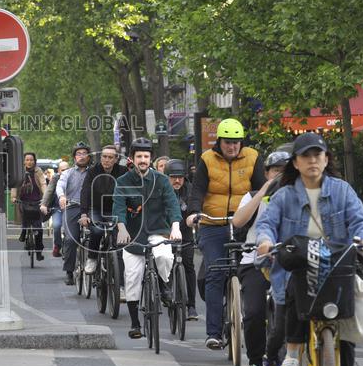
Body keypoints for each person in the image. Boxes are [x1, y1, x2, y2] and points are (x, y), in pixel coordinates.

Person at [256, 133, 363, 366]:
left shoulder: (342, 191)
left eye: (318, 155)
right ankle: (293, 353)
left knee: (346, 326)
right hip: (299, 264)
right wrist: (264, 240)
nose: (313, 161)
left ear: (326, 159)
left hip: (337, 265)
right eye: (306, 156)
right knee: (295, 286)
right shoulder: (284, 195)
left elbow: (360, 220)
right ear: (296, 163)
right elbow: (267, 224)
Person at [186, 118, 265, 350]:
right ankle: (214, 333)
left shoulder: (252, 157)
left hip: (245, 224)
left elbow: (260, 190)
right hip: (213, 223)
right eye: (228, 142)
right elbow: (198, 190)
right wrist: (194, 213)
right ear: (219, 141)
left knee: (253, 270)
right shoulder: (206, 159)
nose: (232, 146)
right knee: (215, 273)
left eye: (236, 142)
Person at [231, 149, 290, 366]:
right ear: (266, 173)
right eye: (276, 171)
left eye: (285, 172)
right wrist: (263, 192)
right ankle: (256, 364)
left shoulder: (296, 196)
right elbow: (238, 221)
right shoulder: (254, 195)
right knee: (254, 312)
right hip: (255, 261)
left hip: (286, 262)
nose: (280, 177)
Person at [113, 138, 182, 338]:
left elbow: (172, 204)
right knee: (132, 278)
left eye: (146, 156)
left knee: (165, 257)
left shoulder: (161, 180)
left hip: (158, 231)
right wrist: (122, 229)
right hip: (133, 235)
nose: (142, 160)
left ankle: (164, 284)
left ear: (150, 158)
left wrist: (175, 226)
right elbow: (118, 206)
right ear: (132, 159)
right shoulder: (123, 181)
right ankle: (135, 324)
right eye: (139, 156)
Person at [79, 144, 127, 274]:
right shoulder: (93, 171)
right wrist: (84, 213)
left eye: (110, 157)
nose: (107, 160)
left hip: (115, 210)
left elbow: (130, 190)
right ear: (101, 158)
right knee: (97, 231)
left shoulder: (123, 171)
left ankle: (118, 271)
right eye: (104, 157)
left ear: (116, 159)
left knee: (119, 237)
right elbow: (85, 191)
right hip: (96, 209)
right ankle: (92, 258)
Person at [164, 159, 199, 321]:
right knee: (164, 262)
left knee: (189, 264)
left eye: (180, 177)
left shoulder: (190, 190)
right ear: (167, 177)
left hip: (185, 234)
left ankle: (191, 305)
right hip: (165, 233)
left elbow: (195, 207)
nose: (177, 180)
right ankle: (167, 291)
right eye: (173, 177)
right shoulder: (160, 190)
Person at [56, 142, 92, 285]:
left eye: (85, 154)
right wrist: (62, 196)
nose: (82, 156)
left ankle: (99, 268)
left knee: (100, 234)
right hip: (73, 207)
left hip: (91, 208)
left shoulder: (94, 172)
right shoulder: (67, 173)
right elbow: (60, 185)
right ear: (74, 157)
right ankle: (69, 271)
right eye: (79, 154)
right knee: (71, 240)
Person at [12, 152, 47, 260]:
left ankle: (38, 252)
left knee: (39, 229)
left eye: (31, 160)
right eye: (27, 160)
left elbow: (43, 183)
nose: (29, 162)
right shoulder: (19, 171)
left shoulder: (38, 171)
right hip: (23, 201)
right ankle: (23, 231)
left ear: (34, 161)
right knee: (25, 219)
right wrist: (13, 197)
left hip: (37, 201)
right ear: (23, 161)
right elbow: (14, 185)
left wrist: (45, 198)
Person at [41, 160, 69, 257]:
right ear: (58, 170)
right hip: (57, 207)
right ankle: (57, 245)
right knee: (56, 226)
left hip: (71, 207)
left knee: (70, 228)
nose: (65, 172)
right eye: (63, 170)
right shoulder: (55, 178)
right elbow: (49, 190)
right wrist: (44, 204)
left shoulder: (73, 176)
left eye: (67, 169)